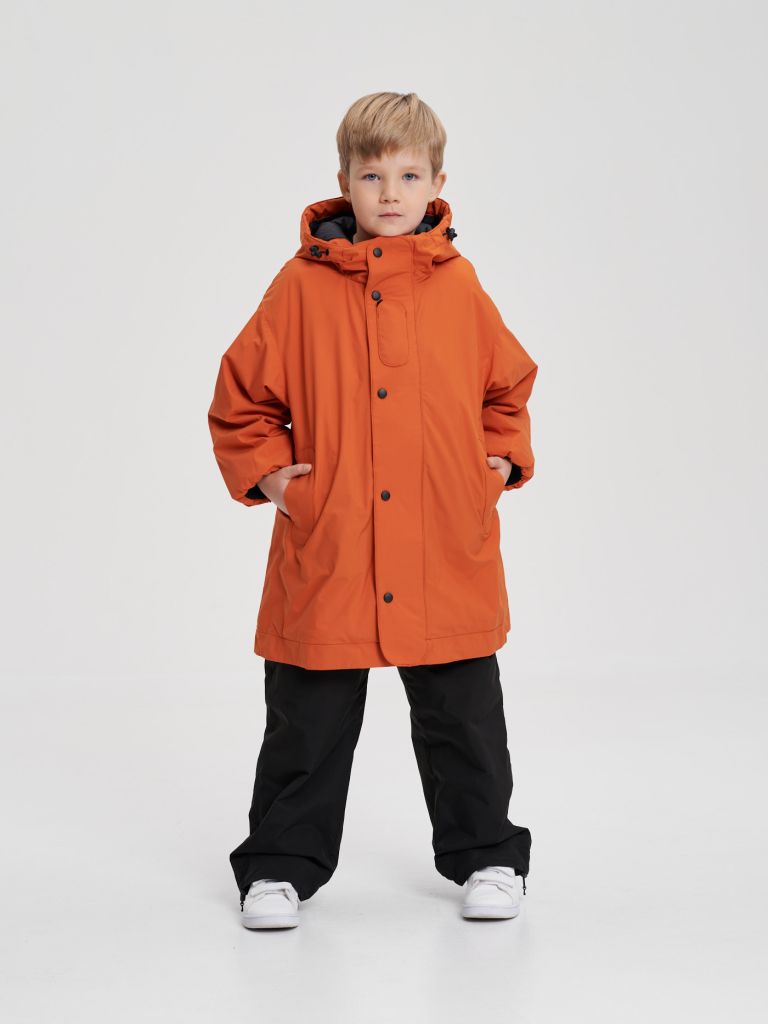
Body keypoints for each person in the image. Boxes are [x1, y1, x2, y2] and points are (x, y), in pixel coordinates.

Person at [207, 91, 539, 929]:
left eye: (409, 175)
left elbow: (506, 387)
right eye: (372, 175)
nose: (391, 193)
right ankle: (279, 868)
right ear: (344, 182)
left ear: (437, 184)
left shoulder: (460, 287)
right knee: (306, 722)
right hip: (333, 542)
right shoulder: (299, 288)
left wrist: (496, 464)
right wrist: (277, 482)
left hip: (444, 543)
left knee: (464, 718)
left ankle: (489, 857)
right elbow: (242, 399)